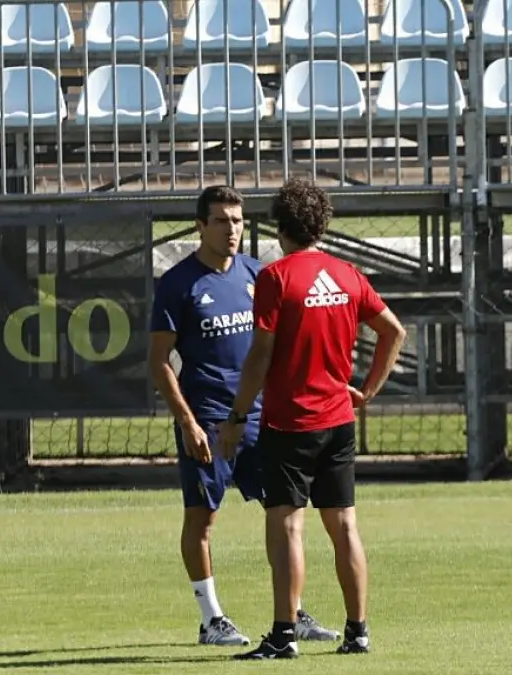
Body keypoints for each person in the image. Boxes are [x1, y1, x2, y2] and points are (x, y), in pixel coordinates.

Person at [218, 177, 406, 660]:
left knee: (287, 527)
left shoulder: (276, 278)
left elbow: (260, 355)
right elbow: (394, 332)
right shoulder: (346, 275)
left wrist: (237, 416)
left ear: (280, 227)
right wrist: (367, 390)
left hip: (290, 423)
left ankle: (283, 635)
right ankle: (358, 632)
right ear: (321, 225)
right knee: (344, 527)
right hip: (338, 422)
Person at [148, 185, 341, 647]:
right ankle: (211, 619)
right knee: (202, 518)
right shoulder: (177, 284)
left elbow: (279, 348)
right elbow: (158, 362)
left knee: (284, 513)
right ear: (200, 226)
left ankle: (292, 612)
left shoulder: (259, 274)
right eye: (220, 220)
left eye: (237, 220)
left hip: (261, 418)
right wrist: (188, 423)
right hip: (209, 421)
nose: (231, 229)